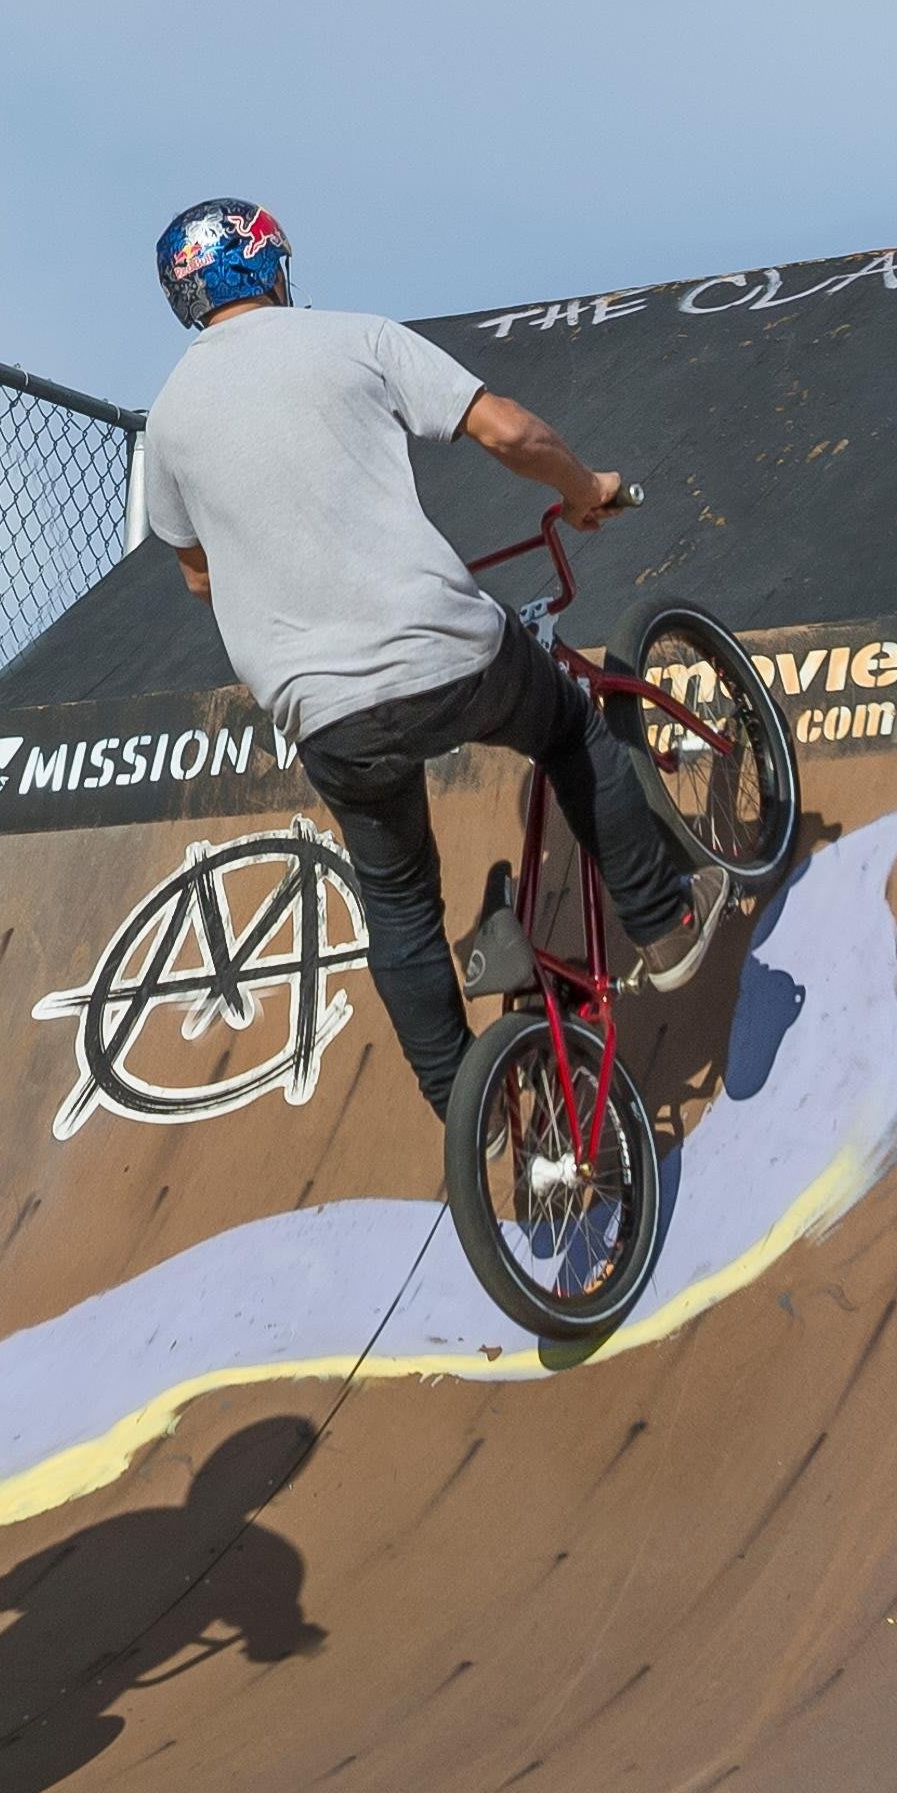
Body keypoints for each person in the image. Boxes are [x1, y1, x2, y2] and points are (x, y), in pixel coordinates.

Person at [131, 200, 722, 1126]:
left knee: (400, 899)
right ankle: (664, 921)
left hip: (323, 709)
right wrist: (583, 488)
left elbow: (199, 576)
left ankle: (463, 1105)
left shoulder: (167, 424)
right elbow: (506, 431)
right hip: (445, 652)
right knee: (568, 727)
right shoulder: (354, 338)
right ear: (273, 270)